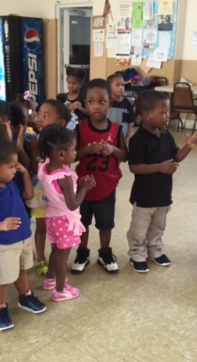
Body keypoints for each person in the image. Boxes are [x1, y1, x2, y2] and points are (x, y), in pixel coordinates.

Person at [0, 120, 46, 331]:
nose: (15, 169)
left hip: (23, 237)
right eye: (12, 167)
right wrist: (2, 226)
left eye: (16, 166)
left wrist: (23, 173)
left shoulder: (11, 180)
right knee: (3, 279)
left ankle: (25, 296)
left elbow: (30, 196)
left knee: (22, 271)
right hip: (3, 244)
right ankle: (0, 307)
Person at [127, 90, 197, 272]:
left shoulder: (166, 135)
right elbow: (134, 167)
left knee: (158, 227)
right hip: (144, 197)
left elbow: (175, 157)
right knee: (139, 229)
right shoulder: (138, 140)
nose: (168, 116)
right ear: (147, 115)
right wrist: (159, 167)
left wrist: (188, 147)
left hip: (163, 194)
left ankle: (155, 251)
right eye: (164, 112)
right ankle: (136, 254)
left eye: (168, 112)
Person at [72, 79, 128, 274]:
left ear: (110, 104)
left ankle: (105, 252)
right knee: (83, 222)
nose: (96, 106)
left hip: (106, 187)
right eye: (91, 101)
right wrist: (87, 150)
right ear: (85, 104)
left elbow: (125, 156)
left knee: (106, 223)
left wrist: (112, 149)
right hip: (84, 188)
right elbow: (72, 156)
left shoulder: (116, 130)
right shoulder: (80, 130)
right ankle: (82, 252)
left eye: (102, 101)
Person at [38, 125, 96, 300]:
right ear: (61, 154)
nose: (76, 152)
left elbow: (59, 193)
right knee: (63, 256)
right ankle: (61, 290)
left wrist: (79, 184)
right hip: (64, 220)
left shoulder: (45, 167)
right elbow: (73, 204)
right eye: (73, 149)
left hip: (52, 217)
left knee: (56, 250)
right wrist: (85, 188)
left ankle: (50, 279)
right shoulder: (65, 178)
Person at [28, 100, 72, 276]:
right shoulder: (34, 141)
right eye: (39, 115)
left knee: (57, 227)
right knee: (41, 227)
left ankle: (57, 260)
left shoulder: (67, 142)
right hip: (41, 192)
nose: (39, 119)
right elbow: (33, 167)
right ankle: (41, 258)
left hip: (58, 194)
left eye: (46, 117)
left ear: (60, 123)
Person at [107, 73, 135, 143]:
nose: (121, 87)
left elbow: (130, 122)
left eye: (123, 85)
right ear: (109, 86)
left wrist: (128, 136)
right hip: (107, 137)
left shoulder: (127, 103)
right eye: (117, 85)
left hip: (122, 138)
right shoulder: (106, 102)